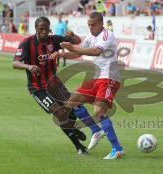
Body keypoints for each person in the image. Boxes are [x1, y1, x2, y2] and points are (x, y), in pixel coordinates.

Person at [12, 16, 95, 155]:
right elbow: (15, 63)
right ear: (36, 29)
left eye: (46, 28)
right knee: (60, 113)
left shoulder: (54, 39)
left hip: (55, 85)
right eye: (41, 29)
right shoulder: (27, 43)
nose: (44, 32)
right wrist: (29, 66)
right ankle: (79, 146)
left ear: (49, 28)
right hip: (38, 89)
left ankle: (72, 129)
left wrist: (72, 35)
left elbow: (77, 41)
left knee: (73, 108)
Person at [51, 12, 125, 160]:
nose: (91, 28)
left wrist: (73, 48)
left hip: (109, 76)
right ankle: (95, 130)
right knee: (72, 101)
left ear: (101, 24)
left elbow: (95, 51)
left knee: (99, 111)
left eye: (93, 25)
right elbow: (78, 53)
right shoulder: (91, 37)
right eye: (89, 25)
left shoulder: (107, 35)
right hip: (97, 76)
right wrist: (62, 54)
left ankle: (117, 149)